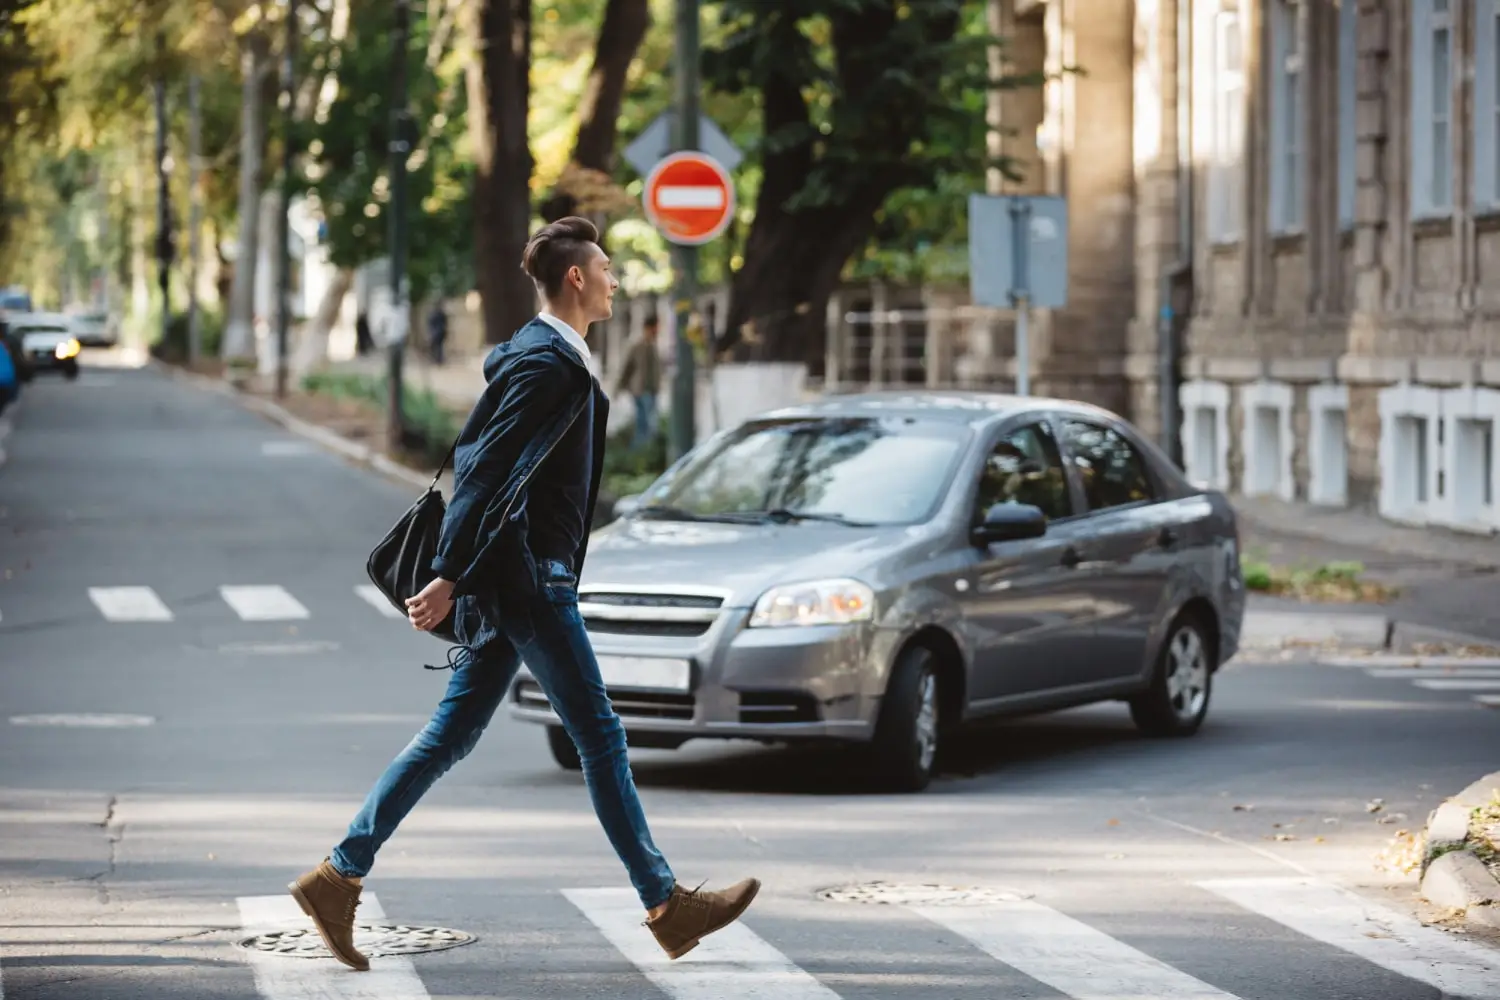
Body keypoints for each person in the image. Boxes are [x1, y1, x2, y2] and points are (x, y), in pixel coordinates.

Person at [287, 217, 760, 972]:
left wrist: (463, 573)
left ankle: (338, 876)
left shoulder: (551, 357)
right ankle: (667, 905)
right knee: (600, 737)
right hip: (530, 580)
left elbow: (501, 467)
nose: (613, 278)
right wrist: (448, 573)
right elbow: (485, 472)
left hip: (516, 578)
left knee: (451, 735)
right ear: (576, 278)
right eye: (605, 266)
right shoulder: (547, 364)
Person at [613, 314, 661, 450]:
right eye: (655, 328)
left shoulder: (653, 345)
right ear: (649, 327)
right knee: (644, 423)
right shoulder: (636, 344)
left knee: (650, 424)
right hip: (640, 390)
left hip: (652, 391)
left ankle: (645, 451)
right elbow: (626, 368)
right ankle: (639, 451)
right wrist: (618, 388)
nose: (657, 331)